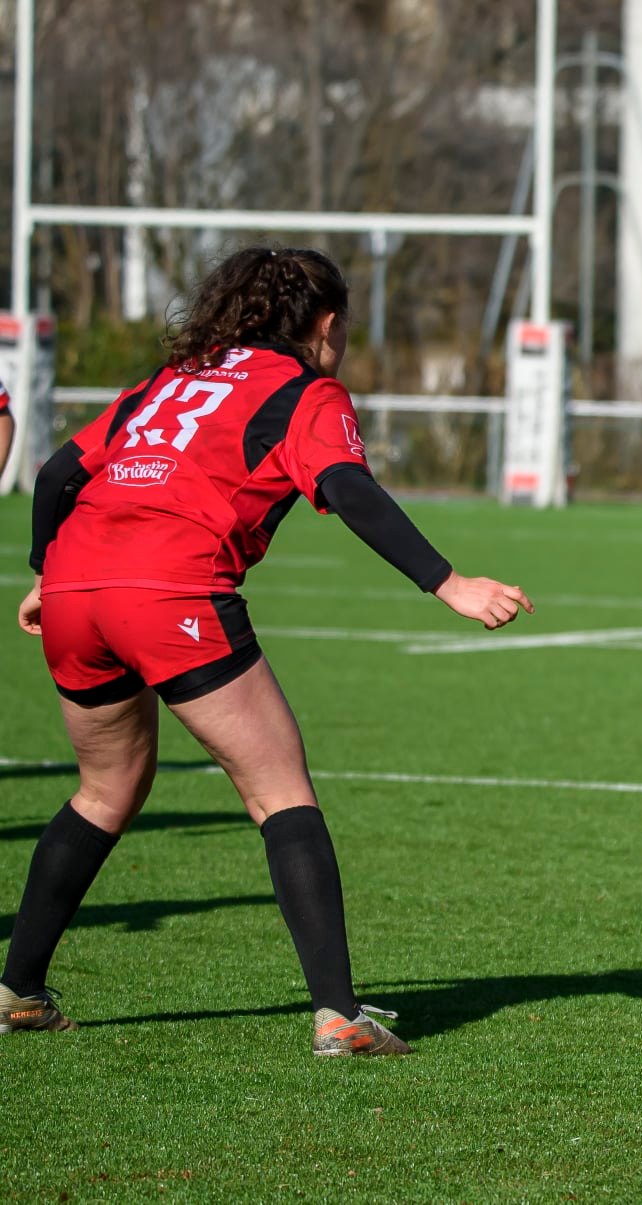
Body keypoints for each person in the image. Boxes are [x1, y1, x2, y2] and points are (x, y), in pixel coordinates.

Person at [4, 246, 532, 1055]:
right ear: (324, 324)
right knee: (279, 786)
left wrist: (46, 571)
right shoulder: (302, 390)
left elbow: (52, 474)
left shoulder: (167, 380)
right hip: (169, 590)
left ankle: (18, 990)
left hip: (77, 586)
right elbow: (348, 487)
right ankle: (338, 1016)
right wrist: (447, 581)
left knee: (105, 789)